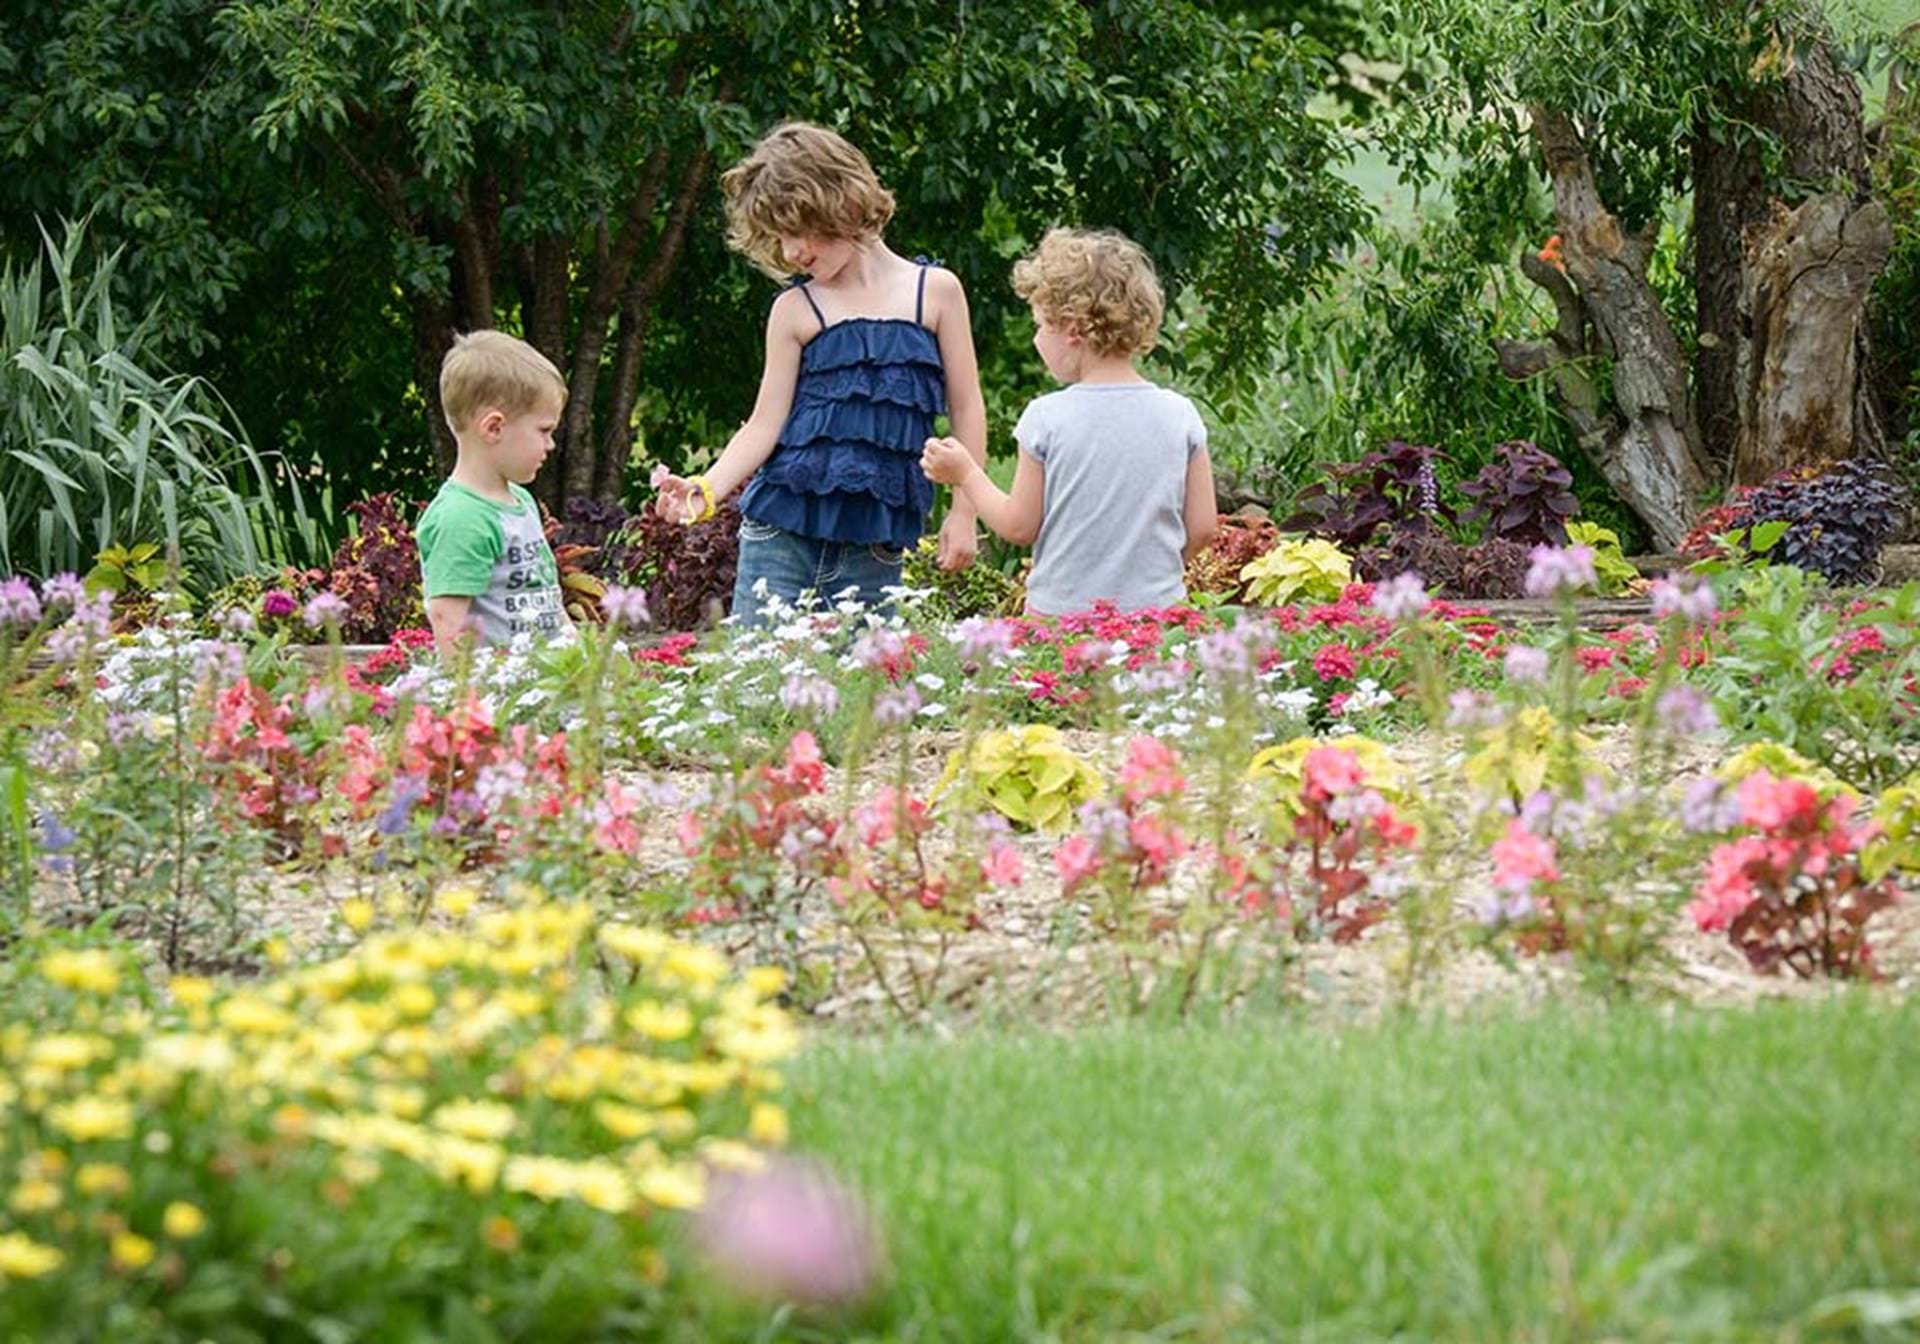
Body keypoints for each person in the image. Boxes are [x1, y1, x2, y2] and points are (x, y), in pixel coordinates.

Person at [651, 122, 986, 625]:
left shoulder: (935, 293)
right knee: (761, 691)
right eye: (779, 237)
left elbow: (966, 407)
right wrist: (707, 488)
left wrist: (965, 512)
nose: (790, 253)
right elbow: (764, 424)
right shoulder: (795, 309)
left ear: (843, 204)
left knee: (863, 697)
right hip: (780, 537)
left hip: (875, 543)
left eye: (798, 230)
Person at [921, 227, 1217, 616]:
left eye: (1041, 325)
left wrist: (965, 474)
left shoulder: (1046, 418)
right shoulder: (1180, 414)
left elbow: (1018, 527)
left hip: (1062, 624)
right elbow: (1203, 529)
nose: (1036, 338)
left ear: (1073, 331)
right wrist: (1154, 581)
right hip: (1155, 622)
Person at [415, 330, 572, 657]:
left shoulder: (520, 501)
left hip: (547, 683)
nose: (551, 444)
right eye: (544, 430)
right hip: (499, 694)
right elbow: (448, 624)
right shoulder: (461, 518)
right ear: (494, 428)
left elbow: (547, 598)